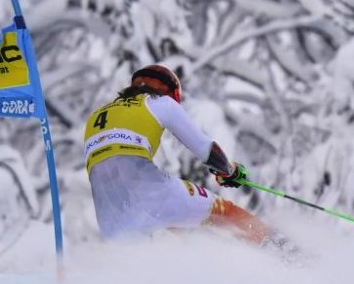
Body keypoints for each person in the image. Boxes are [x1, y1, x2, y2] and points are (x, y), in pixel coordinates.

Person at [84, 64, 274, 245]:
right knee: (220, 212)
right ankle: (276, 245)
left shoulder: (96, 116)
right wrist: (229, 171)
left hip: (109, 211)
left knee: (166, 242)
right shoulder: (159, 103)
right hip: (149, 189)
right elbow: (205, 149)